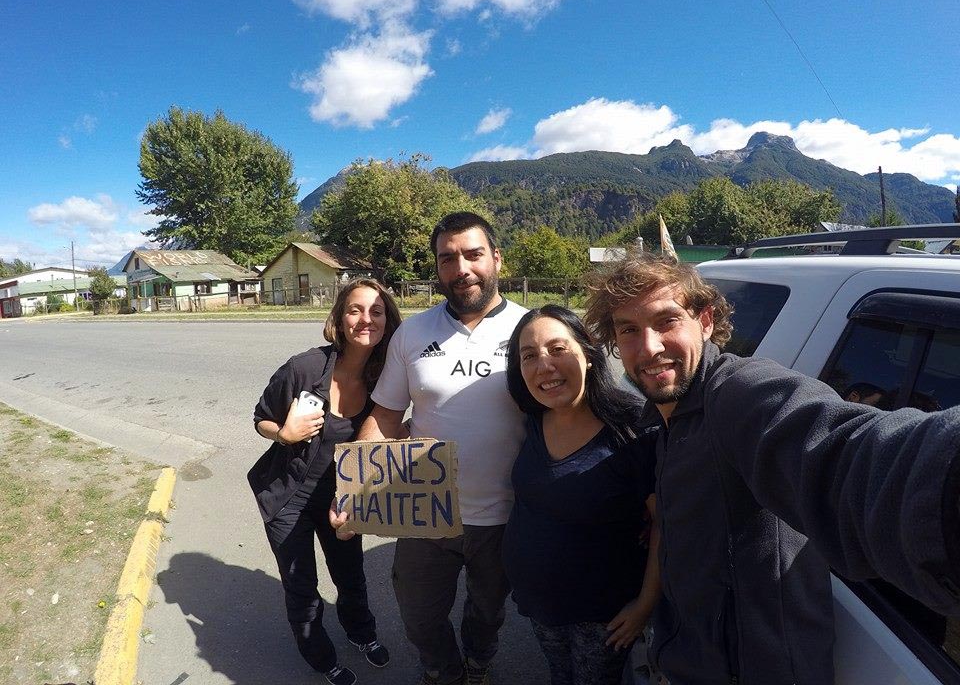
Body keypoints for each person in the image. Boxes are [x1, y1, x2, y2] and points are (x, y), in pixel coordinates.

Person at [582, 253, 960, 685]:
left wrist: (945, 483)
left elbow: (848, 456)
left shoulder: (736, 394)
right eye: (629, 330)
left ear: (704, 321)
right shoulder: (667, 418)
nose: (648, 347)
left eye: (666, 321)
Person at [339, 211, 527, 685]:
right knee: (420, 617)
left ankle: (479, 660)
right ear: (438, 268)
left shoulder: (534, 331)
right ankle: (443, 673)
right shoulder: (413, 333)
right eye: (448, 258)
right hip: (425, 511)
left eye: (473, 254)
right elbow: (383, 416)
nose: (461, 267)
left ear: (496, 259)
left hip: (506, 515)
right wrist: (352, 493)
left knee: (488, 613)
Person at [251, 278, 402, 685]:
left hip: (341, 498)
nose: (365, 319)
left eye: (376, 311)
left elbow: (392, 431)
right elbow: (260, 416)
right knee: (302, 587)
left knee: (350, 574)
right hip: (287, 498)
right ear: (339, 317)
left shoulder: (386, 379)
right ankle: (321, 657)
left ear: (388, 320)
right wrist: (283, 433)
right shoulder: (304, 367)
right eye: (355, 310)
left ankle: (361, 633)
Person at [502, 305, 660, 685]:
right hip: (539, 604)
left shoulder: (633, 429)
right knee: (561, 676)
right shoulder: (533, 419)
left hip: (601, 614)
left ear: (588, 354)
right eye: (529, 356)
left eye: (558, 349)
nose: (544, 366)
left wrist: (644, 605)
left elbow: (665, 525)